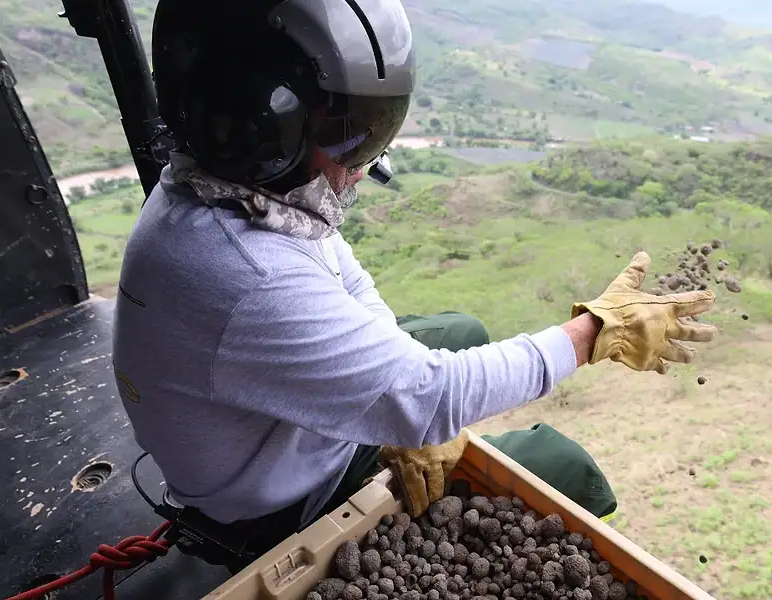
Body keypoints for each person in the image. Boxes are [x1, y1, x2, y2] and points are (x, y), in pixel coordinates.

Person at [111, 0, 718, 569]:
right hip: (281, 502)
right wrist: (590, 334)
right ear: (263, 127)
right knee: (563, 466)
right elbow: (431, 398)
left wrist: (401, 415)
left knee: (462, 333)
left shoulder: (228, 191)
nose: (359, 167)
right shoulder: (245, 271)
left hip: (276, 438)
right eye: (349, 135)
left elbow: (343, 273)